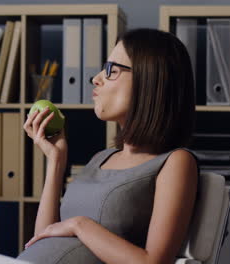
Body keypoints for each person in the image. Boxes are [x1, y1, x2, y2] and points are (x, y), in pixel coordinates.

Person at [18, 28, 198, 264]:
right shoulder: (101, 158)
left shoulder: (176, 162)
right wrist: (56, 160)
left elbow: (153, 262)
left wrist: (79, 225)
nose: (96, 78)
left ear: (149, 81)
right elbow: (42, 239)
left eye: (111, 70)